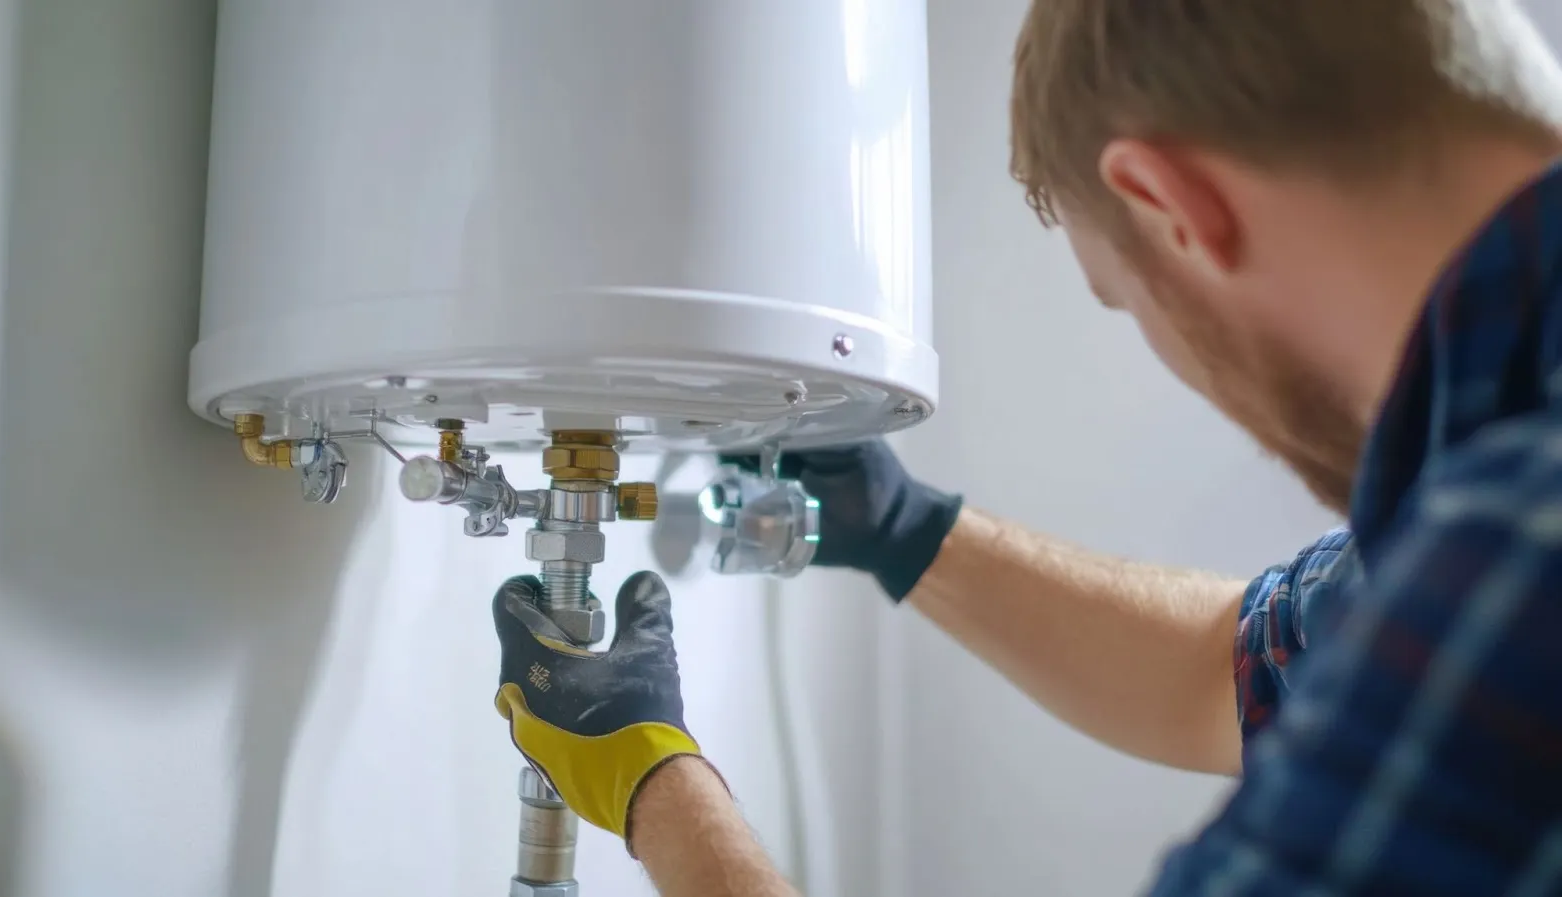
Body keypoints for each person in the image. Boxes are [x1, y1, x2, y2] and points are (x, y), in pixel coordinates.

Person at [493, 1, 1562, 894]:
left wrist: (657, 790)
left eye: (1122, 297)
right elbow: (1230, 670)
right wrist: (908, 534)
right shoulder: (1485, 494)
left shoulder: (1518, 540)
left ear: (1169, 208)